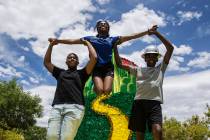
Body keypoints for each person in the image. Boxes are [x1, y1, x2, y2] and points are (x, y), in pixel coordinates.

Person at [48, 20, 155, 96]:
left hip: (108, 68)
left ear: (108, 28)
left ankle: (105, 89)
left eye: (105, 24)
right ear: (97, 28)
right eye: (100, 25)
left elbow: (131, 36)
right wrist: (57, 41)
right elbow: (72, 41)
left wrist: (147, 31)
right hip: (96, 68)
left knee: (107, 90)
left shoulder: (113, 39)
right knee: (99, 90)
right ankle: (95, 87)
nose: (102, 25)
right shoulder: (90, 39)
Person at [113, 25, 174, 140]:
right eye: (148, 56)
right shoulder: (138, 70)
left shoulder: (160, 68)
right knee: (139, 134)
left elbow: (170, 48)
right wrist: (115, 46)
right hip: (139, 104)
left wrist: (156, 33)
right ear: (145, 58)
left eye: (154, 56)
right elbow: (119, 64)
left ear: (157, 58)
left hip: (154, 104)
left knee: (157, 129)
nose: (151, 58)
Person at [43, 39, 97, 140]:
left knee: (66, 137)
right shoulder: (60, 73)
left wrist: (87, 43)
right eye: (69, 57)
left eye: (74, 57)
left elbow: (94, 58)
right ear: (66, 61)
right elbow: (46, 62)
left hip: (75, 107)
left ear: (77, 62)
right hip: (57, 107)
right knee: (51, 136)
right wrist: (51, 45)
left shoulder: (83, 73)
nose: (72, 58)